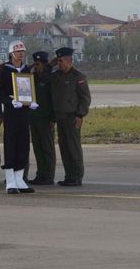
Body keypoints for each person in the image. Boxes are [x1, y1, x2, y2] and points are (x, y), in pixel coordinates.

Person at [0, 41, 37, 194]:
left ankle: (20, 178)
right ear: (11, 53)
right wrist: (10, 101)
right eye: (18, 52)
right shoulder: (4, 70)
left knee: (23, 143)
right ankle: (10, 180)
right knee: (11, 143)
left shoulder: (26, 69)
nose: (21, 54)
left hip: (24, 111)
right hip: (12, 110)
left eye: (23, 51)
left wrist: (32, 101)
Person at [50, 47, 91, 186]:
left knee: (73, 148)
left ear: (69, 61)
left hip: (72, 117)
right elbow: (42, 77)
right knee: (64, 148)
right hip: (60, 117)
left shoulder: (78, 77)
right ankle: (69, 175)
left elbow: (85, 98)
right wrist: (51, 64)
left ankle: (77, 176)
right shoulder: (56, 76)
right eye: (58, 61)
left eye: (61, 61)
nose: (59, 63)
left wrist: (80, 115)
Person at [28, 51, 56, 186]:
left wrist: (53, 119)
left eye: (38, 64)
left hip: (46, 119)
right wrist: (30, 66)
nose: (36, 67)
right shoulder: (32, 78)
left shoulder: (50, 78)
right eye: (36, 64)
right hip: (34, 118)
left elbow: (55, 101)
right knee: (38, 148)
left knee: (47, 148)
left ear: (45, 65)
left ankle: (48, 175)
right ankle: (41, 174)